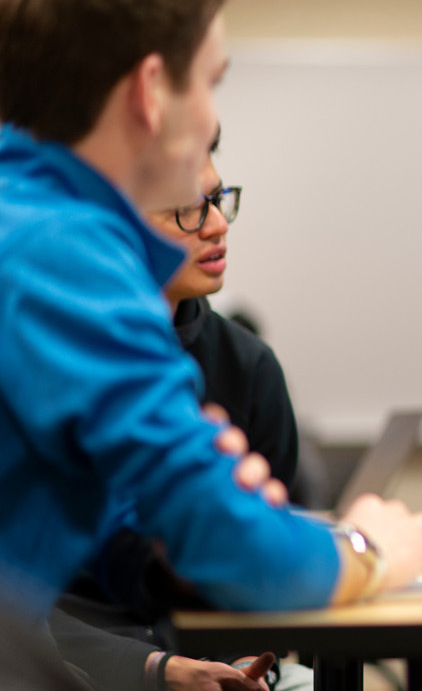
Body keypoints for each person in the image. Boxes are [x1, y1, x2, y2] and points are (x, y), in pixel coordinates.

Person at [0, 0, 422, 633]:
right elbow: (252, 560)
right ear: (151, 92)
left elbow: (111, 515)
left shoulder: (27, 222)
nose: (211, 120)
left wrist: (187, 527)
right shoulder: (62, 255)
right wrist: (367, 549)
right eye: (211, 82)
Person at [49, 131, 315, 690]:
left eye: (218, 201)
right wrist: (153, 670)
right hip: (71, 667)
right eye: (186, 212)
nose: (217, 225)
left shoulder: (249, 368)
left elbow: (260, 573)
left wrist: (248, 662)